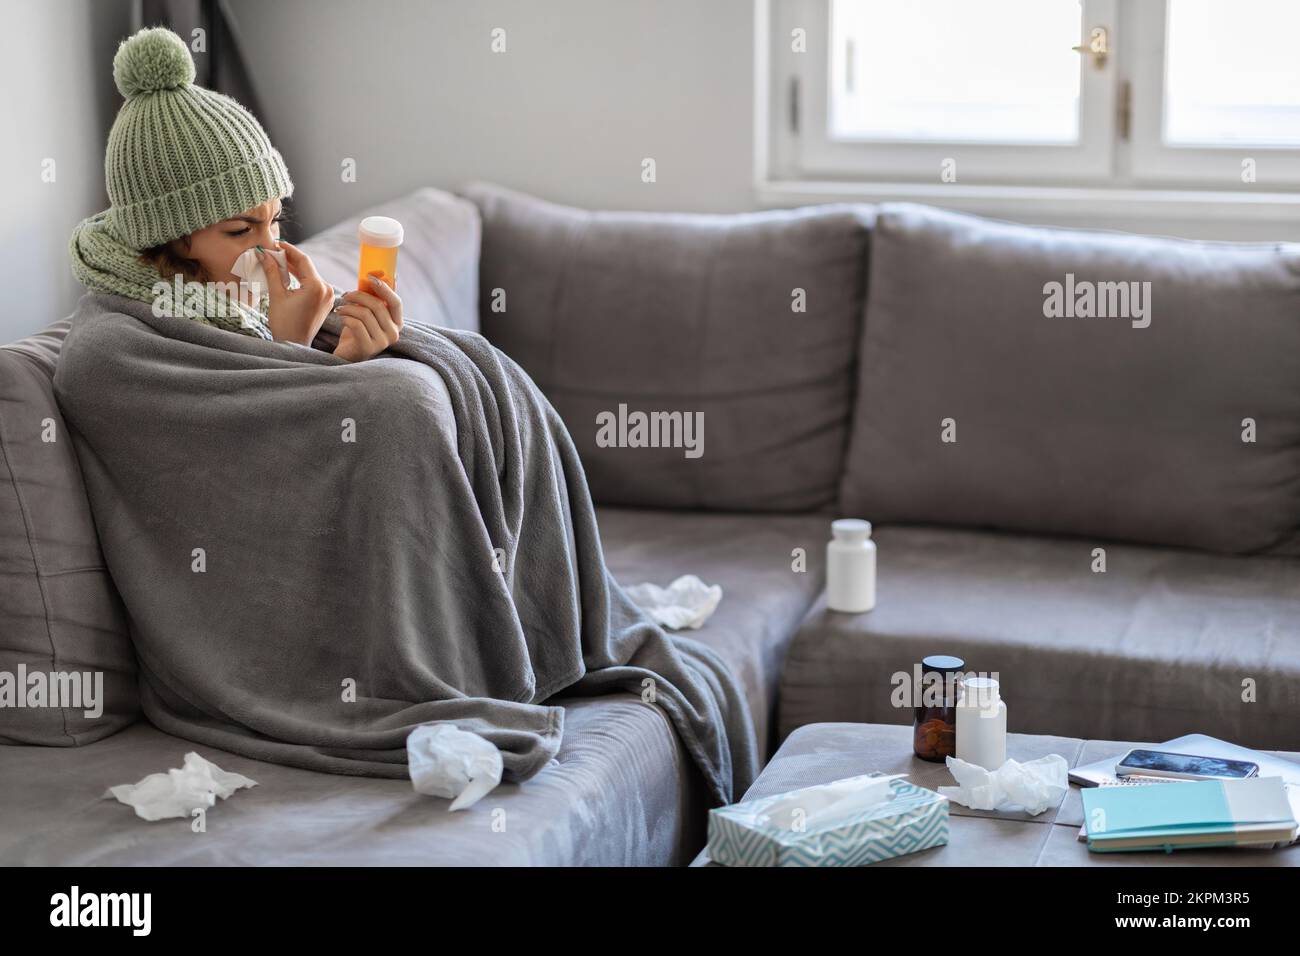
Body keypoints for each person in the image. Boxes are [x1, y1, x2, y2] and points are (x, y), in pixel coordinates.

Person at [69, 26, 399, 362]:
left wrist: (348, 355)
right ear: (168, 239)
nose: (271, 249)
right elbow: (272, 410)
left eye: (275, 220)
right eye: (241, 229)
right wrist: (292, 347)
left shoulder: (246, 307)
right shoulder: (114, 347)